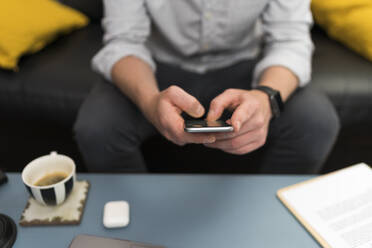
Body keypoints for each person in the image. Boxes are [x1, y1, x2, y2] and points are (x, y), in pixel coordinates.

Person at [74, 0, 340, 174]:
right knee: (97, 126)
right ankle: (128, 220)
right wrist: (149, 101)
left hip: (244, 65)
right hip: (157, 67)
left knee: (316, 122)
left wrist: (265, 98)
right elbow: (124, 41)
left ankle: (274, 214)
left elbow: (291, 41)